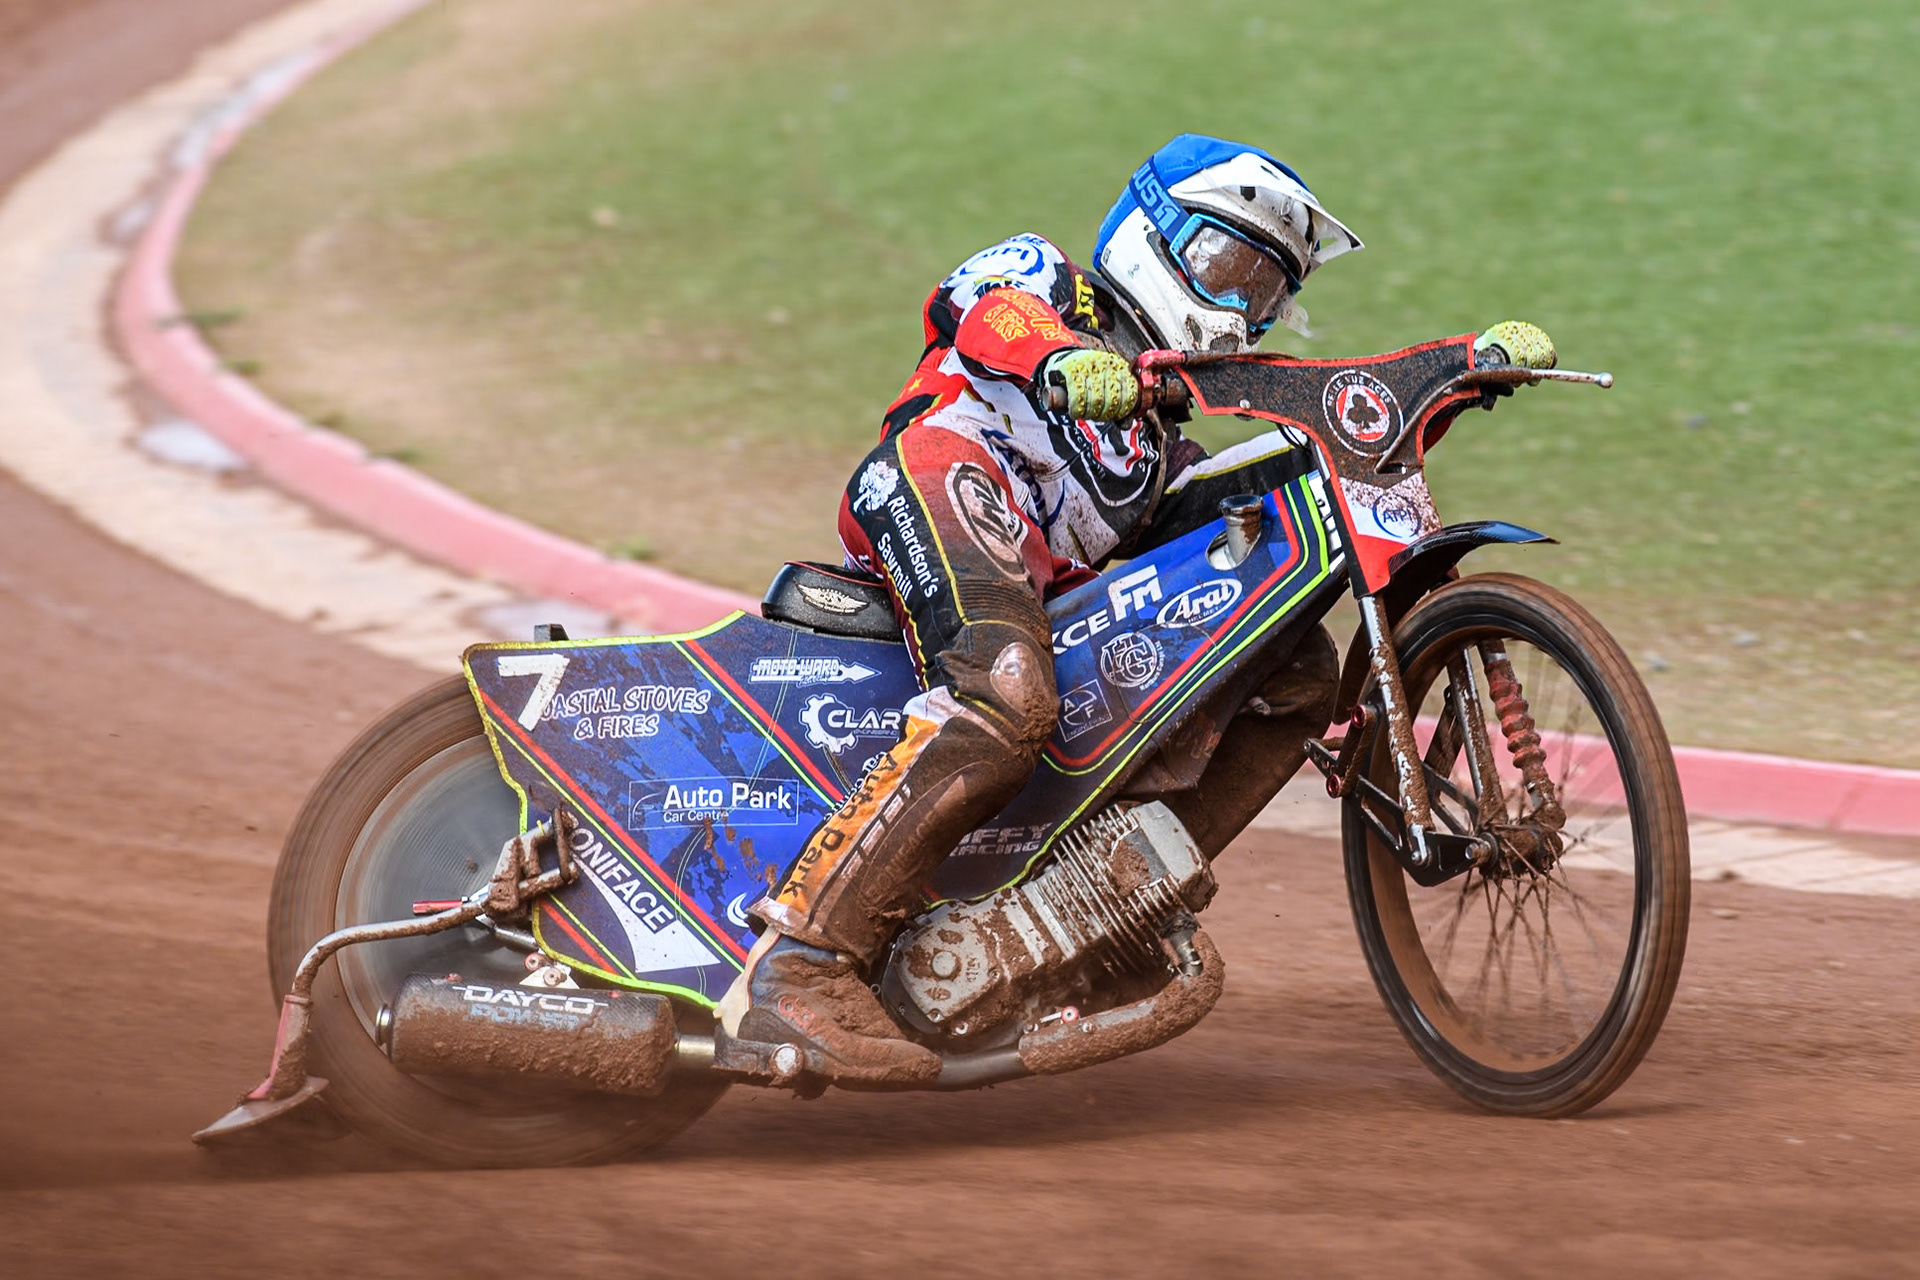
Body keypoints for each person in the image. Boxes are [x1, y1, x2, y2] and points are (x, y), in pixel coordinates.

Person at [717, 134, 1364, 1083]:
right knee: (1007, 695)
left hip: (1040, 580)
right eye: (1225, 269)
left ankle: (1088, 906)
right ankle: (801, 968)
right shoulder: (1051, 280)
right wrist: (1063, 358)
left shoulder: (1154, 451)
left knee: (1295, 668)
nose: (1239, 313)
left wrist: (1431, 388)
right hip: (941, 470)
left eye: (1265, 294)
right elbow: (984, 313)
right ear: (1154, 236)